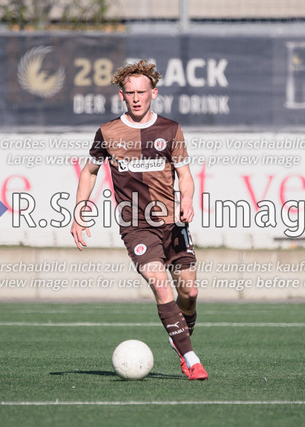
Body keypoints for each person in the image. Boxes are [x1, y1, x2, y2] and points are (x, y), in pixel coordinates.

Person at [70, 60, 208, 381]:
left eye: (141, 92)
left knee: (189, 292)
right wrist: (79, 212)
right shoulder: (108, 132)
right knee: (160, 284)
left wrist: (187, 199)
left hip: (173, 224)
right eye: (130, 93)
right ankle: (190, 359)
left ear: (153, 93)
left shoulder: (170, 129)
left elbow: (185, 175)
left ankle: (179, 336)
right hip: (136, 225)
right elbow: (89, 172)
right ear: (121, 95)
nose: (136, 98)